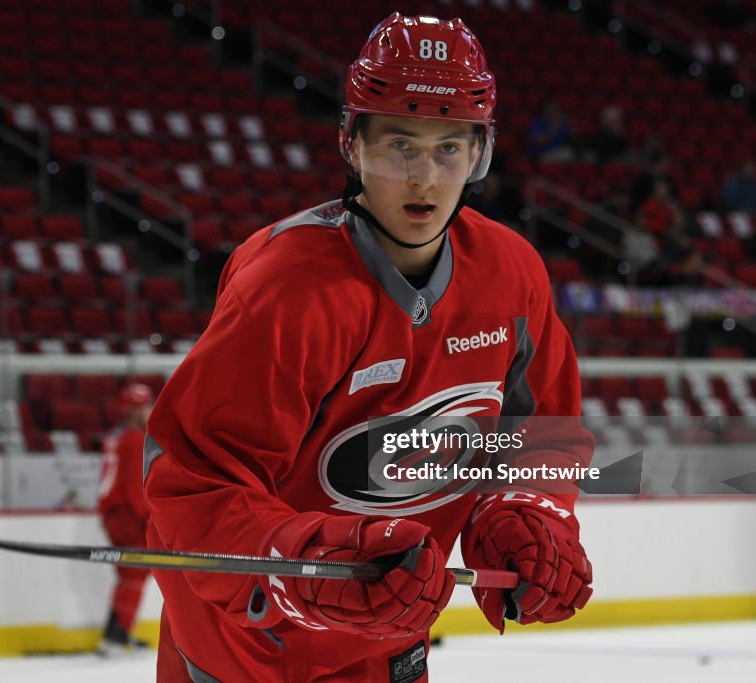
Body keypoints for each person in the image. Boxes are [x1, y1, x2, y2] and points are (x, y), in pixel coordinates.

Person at [143, 13, 594, 682]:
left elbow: (540, 435)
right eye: (399, 146)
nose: (425, 178)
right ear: (352, 146)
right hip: (245, 650)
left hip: (387, 638)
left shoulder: (511, 271)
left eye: (450, 148)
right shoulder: (286, 288)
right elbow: (193, 484)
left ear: (479, 154)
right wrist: (305, 560)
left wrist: (521, 510)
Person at [96, 381, 155, 655]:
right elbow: (135, 487)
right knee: (136, 573)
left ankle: (117, 631)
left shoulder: (116, 435)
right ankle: (117, 636)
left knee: (127, 575)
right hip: (128, 515)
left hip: (114, 514)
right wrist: (148, 518)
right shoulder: (134, 439)